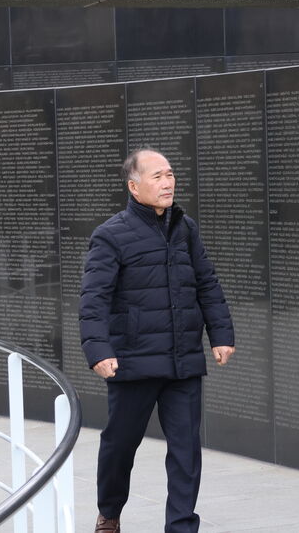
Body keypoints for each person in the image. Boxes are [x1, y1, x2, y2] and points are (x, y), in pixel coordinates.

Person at [80, 147, 235, 533]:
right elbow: (94, 298)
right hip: (134, 361)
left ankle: (181, 526)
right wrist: (98, 349)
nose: (168, 183)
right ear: (134, 187)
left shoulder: (185, 228)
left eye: (170, 174)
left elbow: (206, 283)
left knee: (186, 452)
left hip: (183, 361)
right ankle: (109, 511)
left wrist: (221, 334)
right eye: (157, 176)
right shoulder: (110, 235)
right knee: (120, 445)